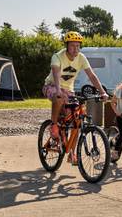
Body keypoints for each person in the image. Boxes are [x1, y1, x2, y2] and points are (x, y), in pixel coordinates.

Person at [42, 31, 108, 163]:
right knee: (59, 97)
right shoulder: (57, 56)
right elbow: (55, 73)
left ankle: (71, 152)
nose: (75, 49)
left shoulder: (81, 58)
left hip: (69, 90)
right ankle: (54, 125)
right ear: (66, 46)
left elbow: (92, 76)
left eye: (78, 46)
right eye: (72, 46)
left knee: (77, 121)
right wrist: (58, 89)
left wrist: (102, 92)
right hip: (52, 86)